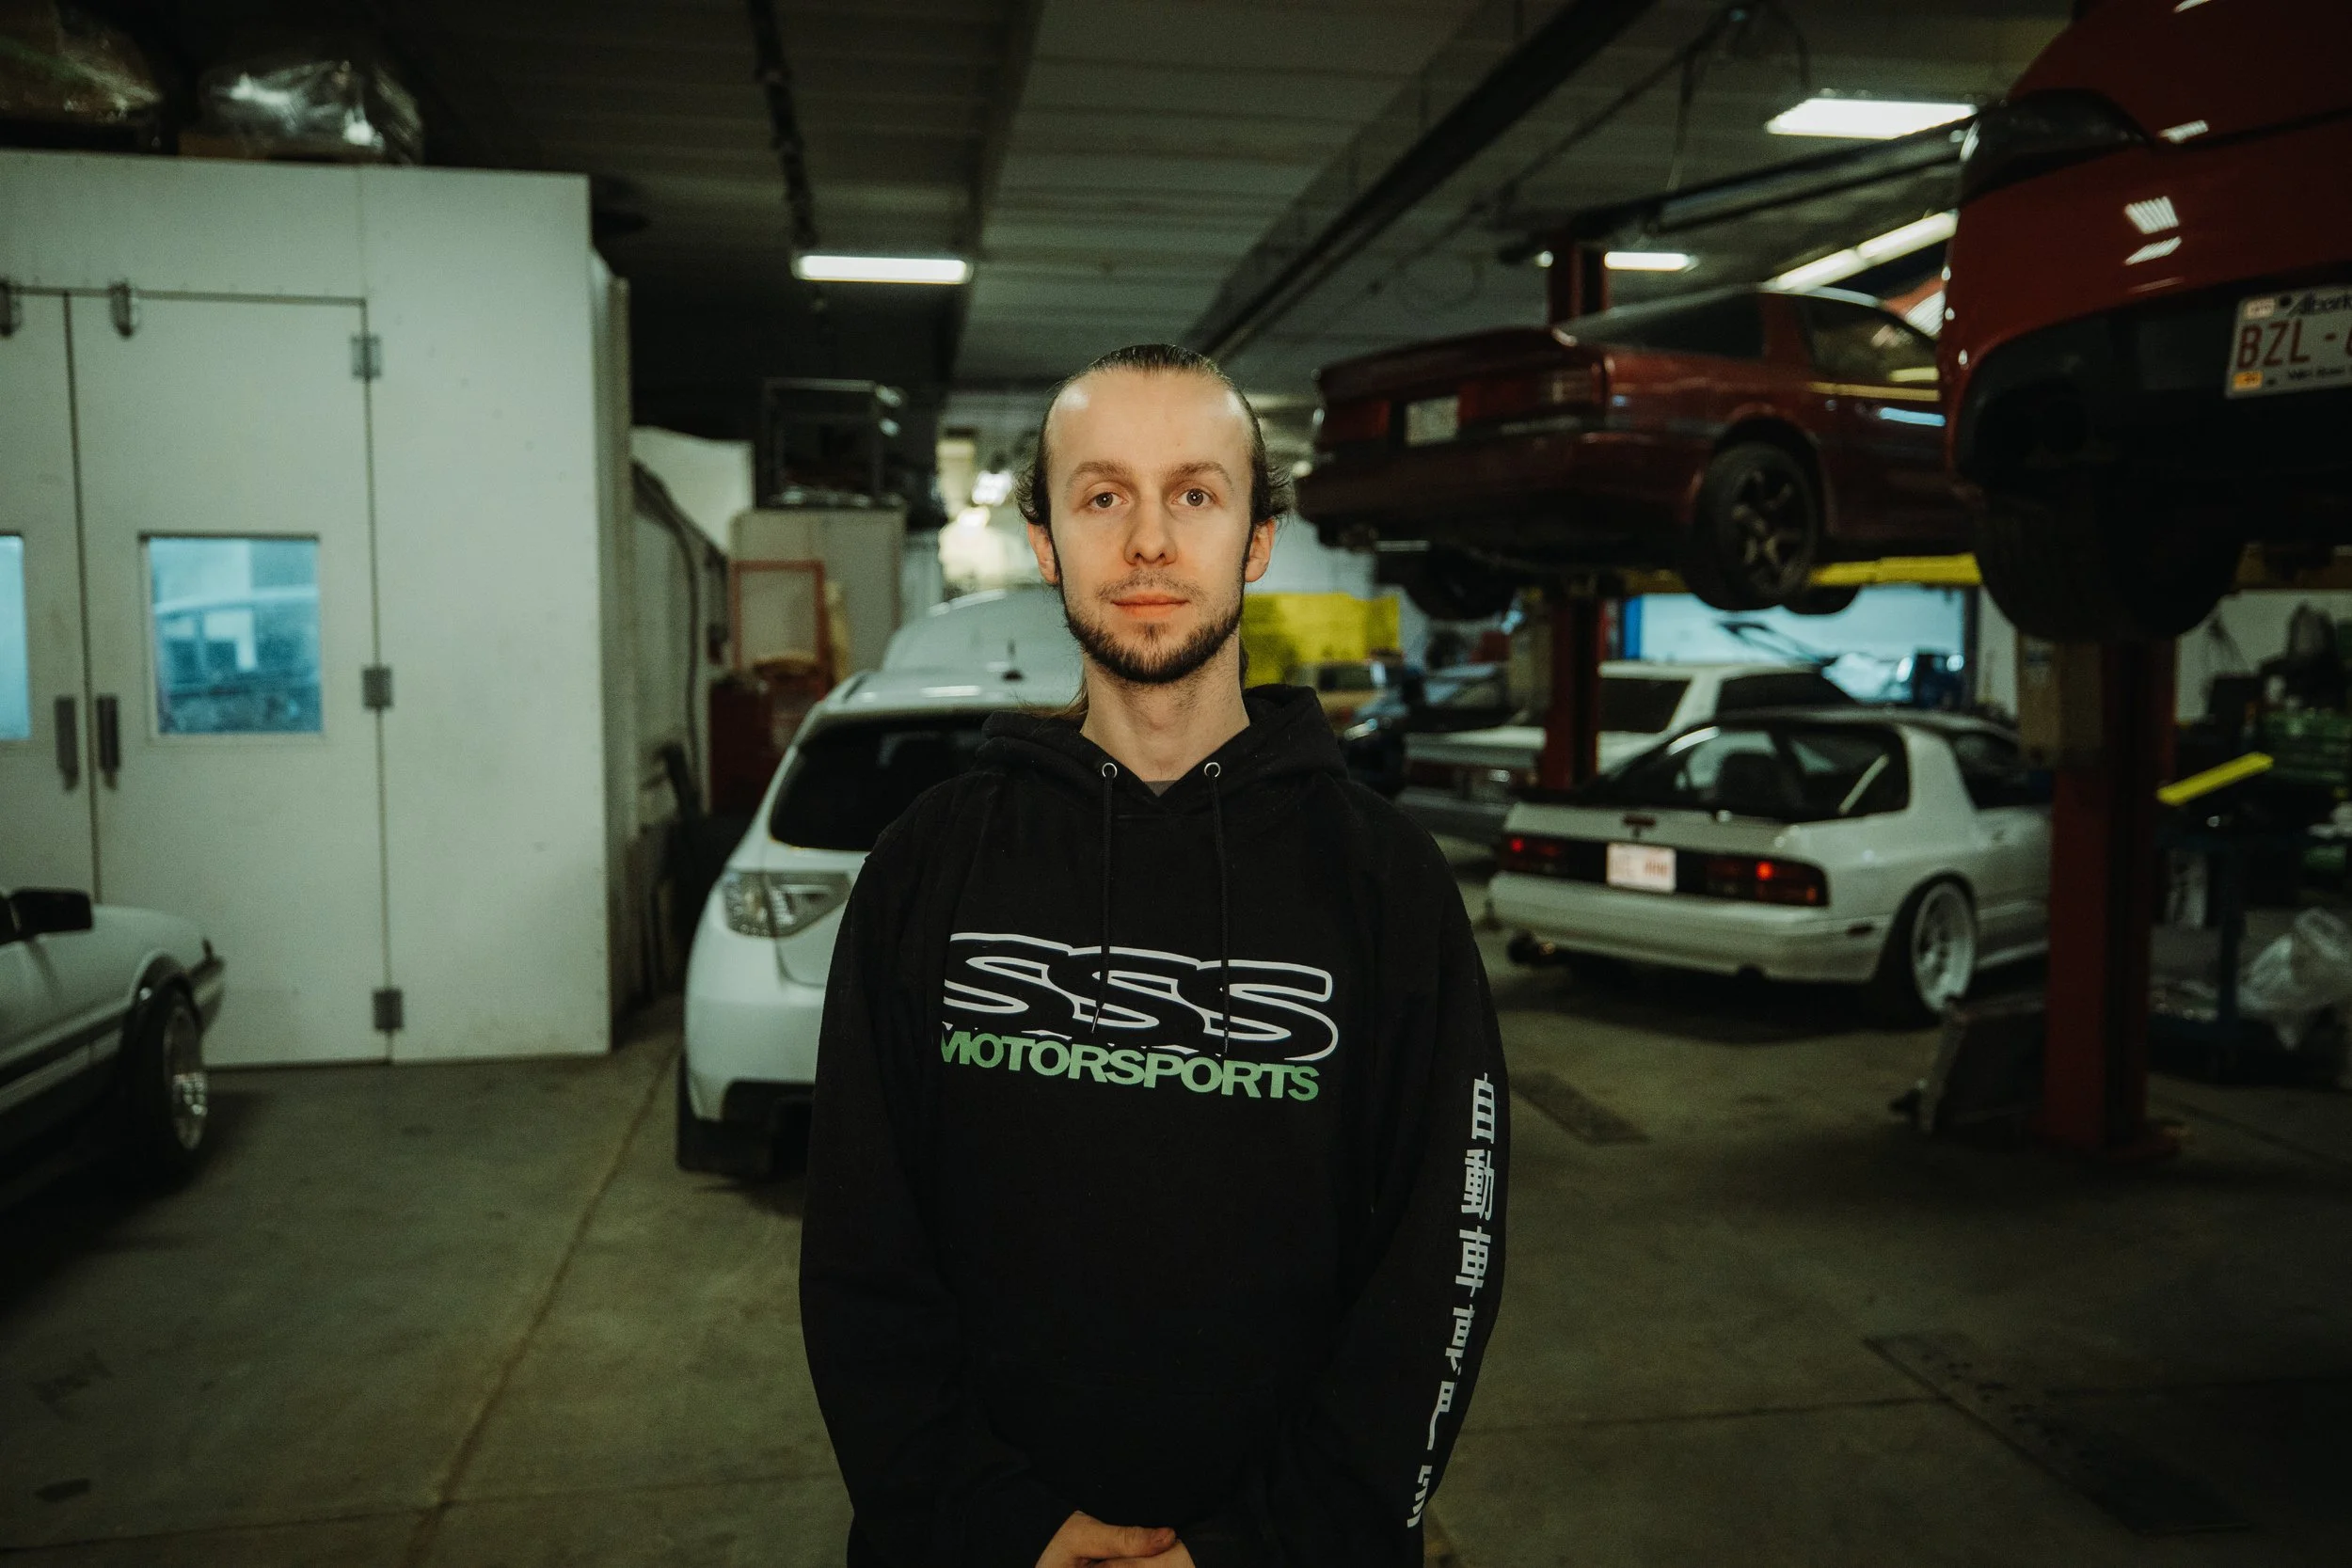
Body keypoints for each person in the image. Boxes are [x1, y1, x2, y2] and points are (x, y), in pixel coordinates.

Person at [801, 343, 1509, 1568]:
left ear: (1257, 538)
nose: (1147, 543)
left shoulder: (1386, 884)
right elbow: (862, 1245)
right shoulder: (932, 861)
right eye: (1101, 495)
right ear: (1043, 540)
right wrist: (995, 1523)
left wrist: (1262, 1546)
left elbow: (1441, 1265)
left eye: (1193, 492)